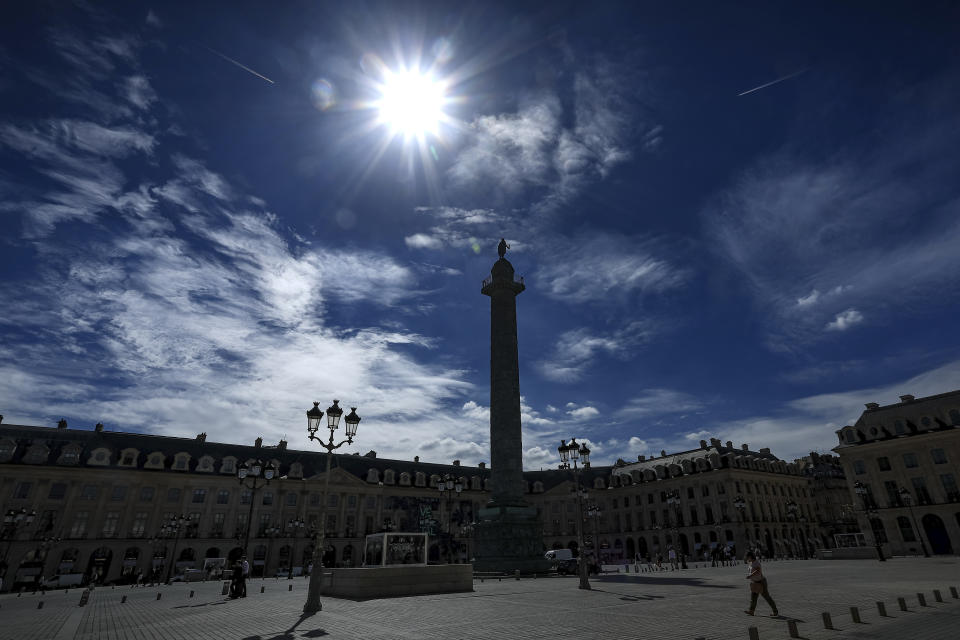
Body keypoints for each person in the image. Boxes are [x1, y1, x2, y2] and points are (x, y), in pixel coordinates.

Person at [743, 551, 778, 617]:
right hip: (755, 583)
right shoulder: (750, 563)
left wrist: (750, 576)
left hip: (761, 582)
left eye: (747, 557)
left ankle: (775, 611)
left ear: (750, 557)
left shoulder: (756, 562)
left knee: (767, 597)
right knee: (753, 598)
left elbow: (758, 570)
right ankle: (751, 611)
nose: (746, 558)